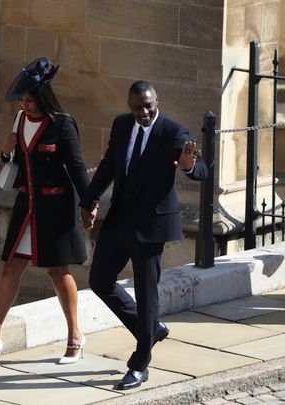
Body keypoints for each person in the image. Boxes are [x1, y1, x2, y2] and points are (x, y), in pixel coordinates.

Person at [79, 80, 208, 390]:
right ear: (130, 106)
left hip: (151, 226)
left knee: (146, 292)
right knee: (99, 280)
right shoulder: (122, 125)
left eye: (148, 106)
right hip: (120, 219)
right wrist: (90, 200)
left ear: (156, 101)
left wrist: (189, 167)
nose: (143, 112)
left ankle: (140, 363)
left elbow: (202, 170)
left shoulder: (173, 132)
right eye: (137, 107)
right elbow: (110, 166)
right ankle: (148, 327)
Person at [0, 58, 90, 365]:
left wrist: (90, 203)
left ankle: (76, 336)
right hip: (27, 206)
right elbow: (13, 164)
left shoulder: (63, 124)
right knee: (10, 267)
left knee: (57, 271)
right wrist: (6, 150)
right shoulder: (19, 122)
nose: (26, 105)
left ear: (43, 98)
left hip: (57, 208)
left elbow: (76, 167)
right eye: (22, 101)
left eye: (30, 100)